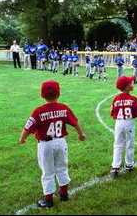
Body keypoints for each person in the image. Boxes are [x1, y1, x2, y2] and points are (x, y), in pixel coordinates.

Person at [18, 80, 86, 209]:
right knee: (62, 167)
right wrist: (80, 134)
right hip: (61, 142)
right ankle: (64, 194)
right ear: (58, 93)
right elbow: (75, 122)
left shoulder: (38, 111)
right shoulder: (63, 108)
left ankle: (48, 200)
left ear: (42, 94)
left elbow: (28, 128)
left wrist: (22, 139)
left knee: (48, 171)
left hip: (46, 144)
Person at [109, 76, 137, 176]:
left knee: (117, 144)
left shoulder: (116, 98)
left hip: (119, 123)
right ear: (127, 87)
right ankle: (129, 164)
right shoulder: (133, 99)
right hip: (129, 122)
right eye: (131, 83)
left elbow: (112, 112)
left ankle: (115, 166)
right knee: (130, 144)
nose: (133, 84)